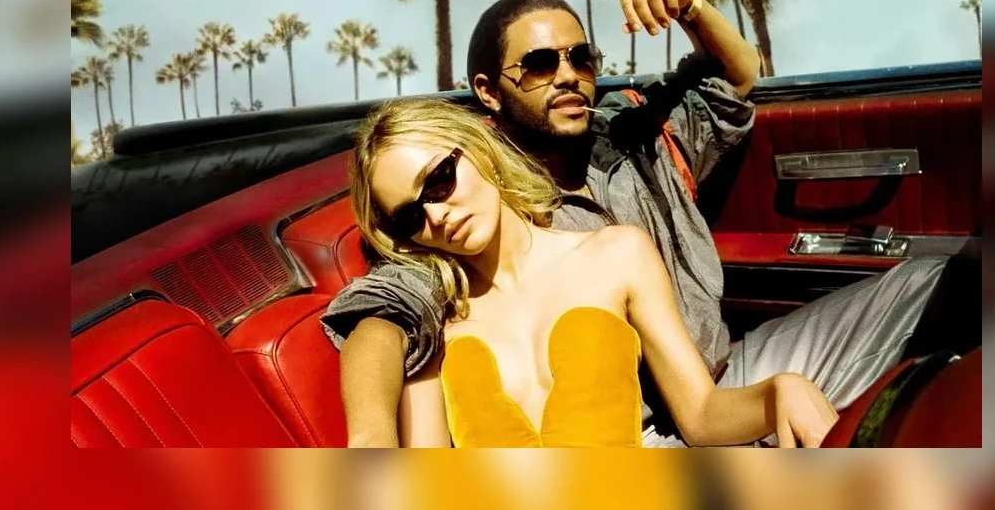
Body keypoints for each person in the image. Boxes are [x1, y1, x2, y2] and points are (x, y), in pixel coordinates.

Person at [321, 0, 947, 447]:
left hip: (724, 374)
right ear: (488, 92)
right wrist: (371, 439)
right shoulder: (467, 226)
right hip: (650, 425)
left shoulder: (633, 135)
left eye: (580, 57)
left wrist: (691, 6)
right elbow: (387, 311)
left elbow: (737, 82)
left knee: (942, 279)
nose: (568, 75)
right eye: (539, 65)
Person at [349, 98, 839, 447]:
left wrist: (779, 391)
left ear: (478, 151)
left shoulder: (616, 253)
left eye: (438, 181)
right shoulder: (435, 322)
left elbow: (701, 416)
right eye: (409, 216)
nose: (436, 215)